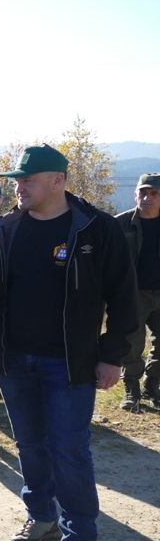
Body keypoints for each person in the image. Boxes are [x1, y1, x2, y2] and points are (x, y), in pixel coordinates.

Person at [0, 144, 138, 541]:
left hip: (71, 364)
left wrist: (111, 354)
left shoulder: (96, 229)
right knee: (30, 444)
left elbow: (124, 298)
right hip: (14, 362)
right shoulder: (4, 229)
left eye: (27, 180)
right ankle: (41, 516)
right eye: (16, 181)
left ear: (58, 181)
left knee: (69, 451)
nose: (18, 188)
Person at [115, 173, 160, 411]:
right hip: (133, 294)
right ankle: (131, 388)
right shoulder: (119, 224)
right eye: (143, 192)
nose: (147, 197)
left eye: (154, 193)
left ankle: (152, 384)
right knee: (132, 343)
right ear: (135, 195)